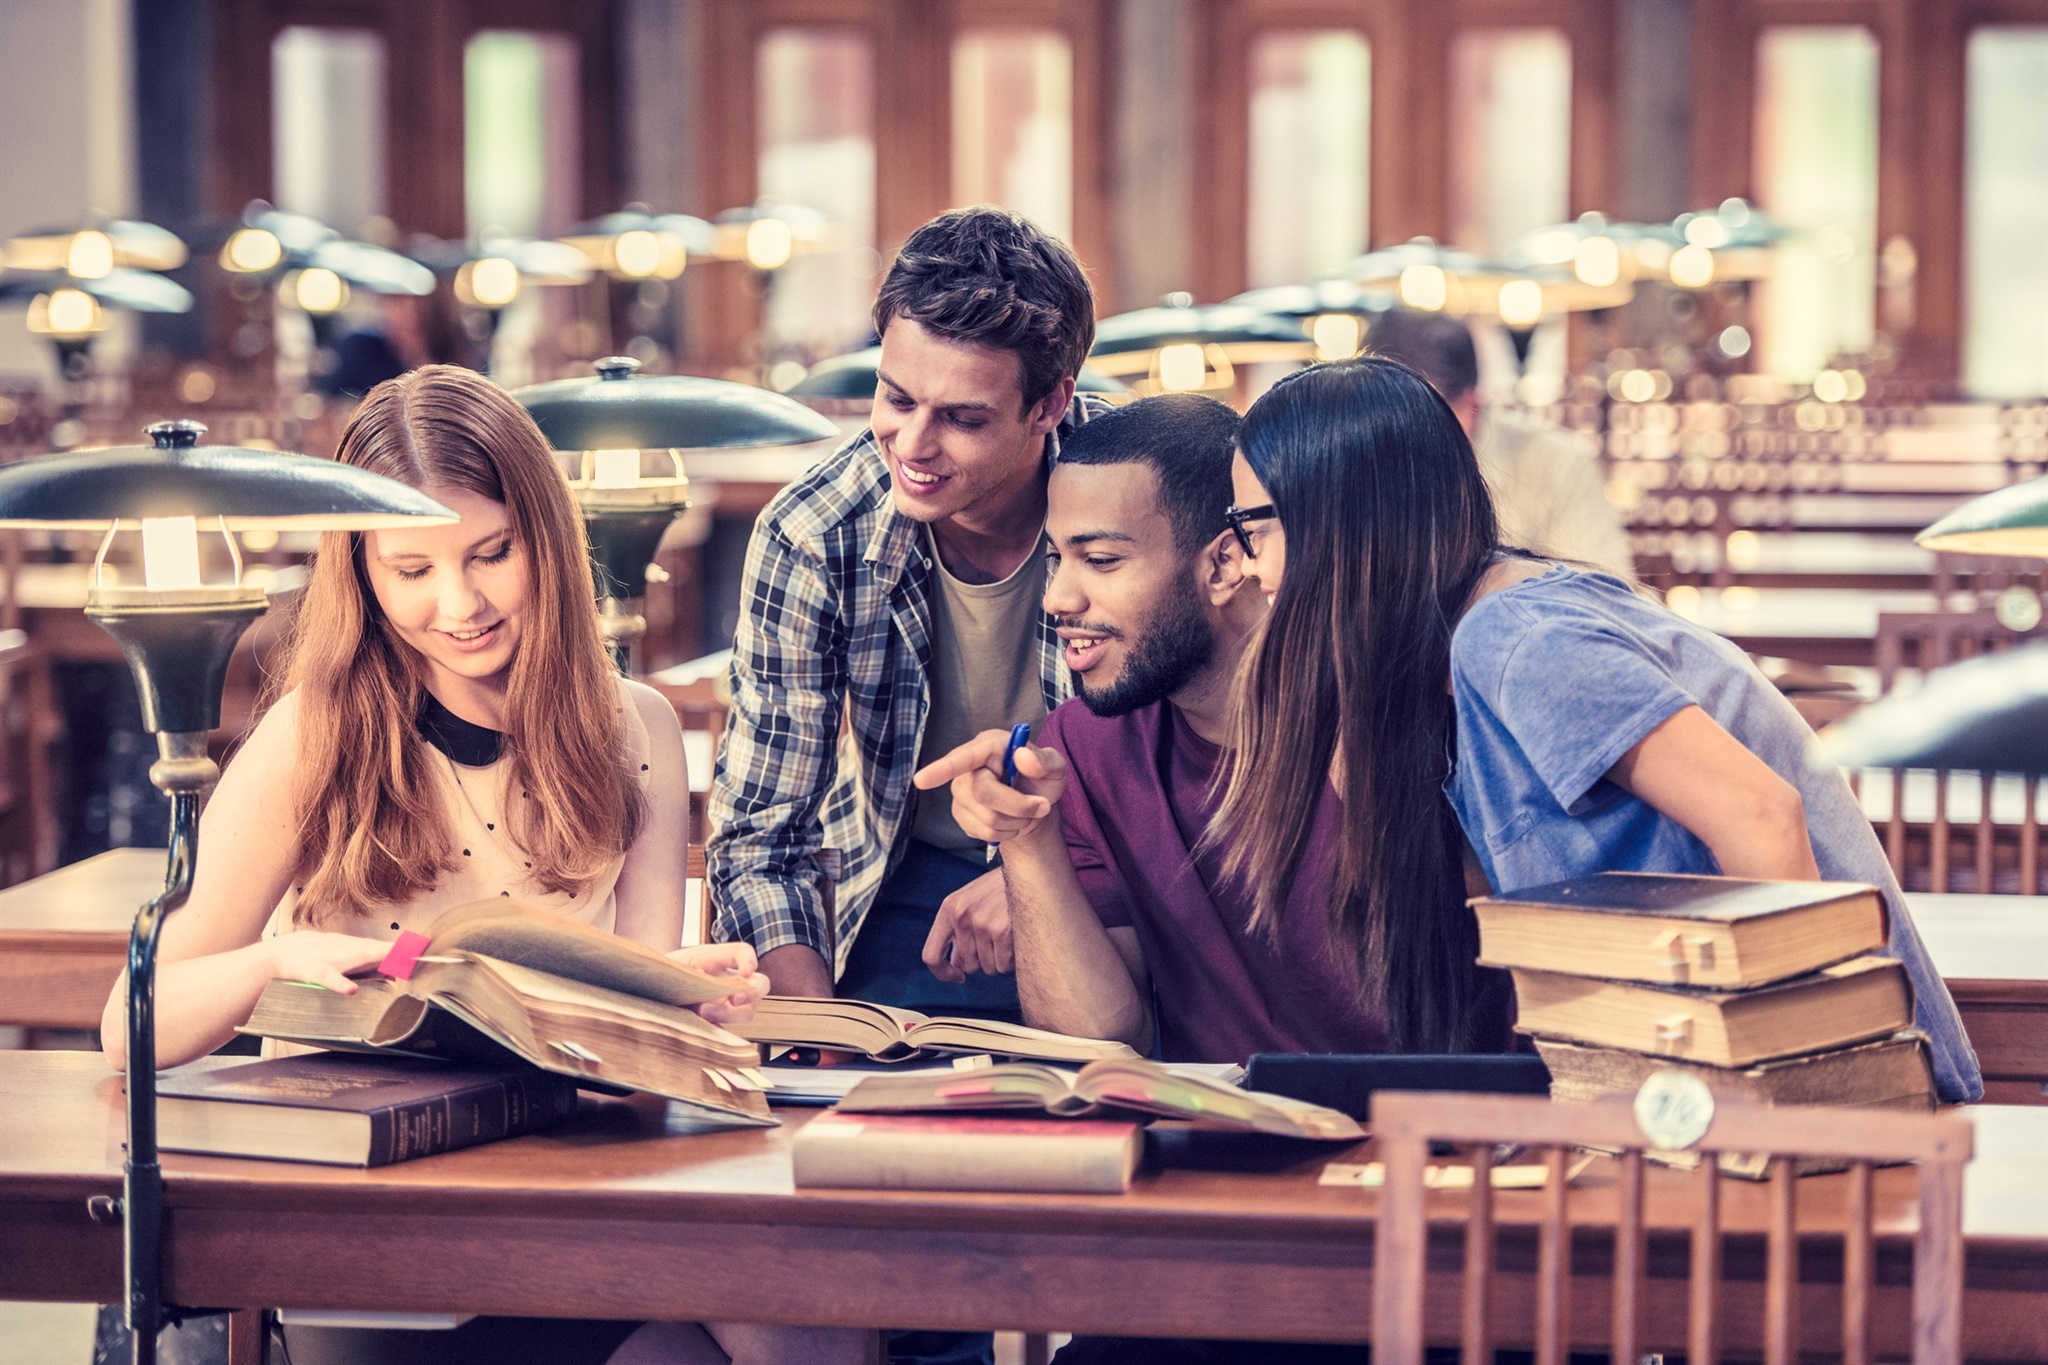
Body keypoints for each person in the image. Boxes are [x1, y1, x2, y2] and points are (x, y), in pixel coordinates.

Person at [99, 365, 863, 1365]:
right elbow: (130, 1027)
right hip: (376, 1203)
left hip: (573, 1186)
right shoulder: (316, 735)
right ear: (361, 571)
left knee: (823, 1325)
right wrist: (267, 968)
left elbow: (629, 1040)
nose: (457, 602)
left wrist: (678, 998)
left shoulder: (634, 726)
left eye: (491, 554)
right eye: (410, 570)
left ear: (545, 537)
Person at [1219, 357, 1981, 1103]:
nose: (1250, 567)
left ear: (1338, 519)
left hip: (1849, 1108)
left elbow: (1761, 816)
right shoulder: (1459, 651)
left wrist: (1821, 1099)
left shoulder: (1519, 639)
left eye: (1254, 528)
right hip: (1691, 1094)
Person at [914, 392, 1516, 1065]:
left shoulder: (1403, 708)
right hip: (1223, 1149)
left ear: (1227, 563)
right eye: (1058, 560)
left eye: (1102, 560)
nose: (1059, 598)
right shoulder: (1080, 749)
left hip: (1449, 1145)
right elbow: (1095, 1048)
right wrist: (1026, 840)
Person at [707, 206, 1107, 1020]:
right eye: (896, 398)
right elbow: (761, 842)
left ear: (1050, 404)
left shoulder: (1141, 496)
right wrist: (813, 1038)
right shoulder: (814, 533)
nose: (913, 446)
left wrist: (1046, 874)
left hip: (1112, 876)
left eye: (962, 417)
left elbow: (1218, 791)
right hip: (906, 884)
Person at [1366, 307, 1634, 578]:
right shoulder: (1354, 464)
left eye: (1418, 423)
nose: (1398, 446)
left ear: (1471, 404)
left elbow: (1604, 601)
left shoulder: (1558, 466)